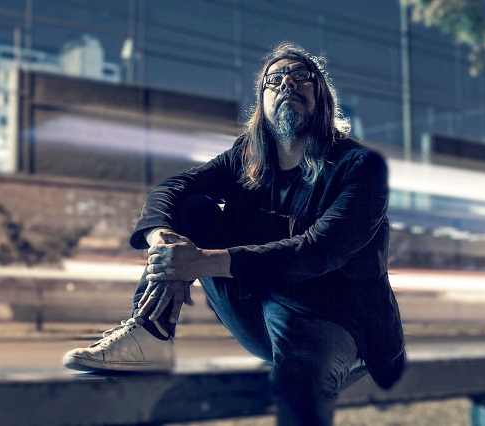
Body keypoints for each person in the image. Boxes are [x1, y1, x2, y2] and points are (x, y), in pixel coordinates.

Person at [63, 42, 406, 425]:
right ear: (262, 102)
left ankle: (343, 363)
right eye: (274, 79)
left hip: (337, 319)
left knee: (298, 385)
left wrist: (201, 262)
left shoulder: (360, 166)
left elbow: (318, 251)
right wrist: (161, 242)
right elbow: (172, 188)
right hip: (261, 309)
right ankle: (152, 332)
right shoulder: (247, 156)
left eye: (300, 76)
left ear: (322, 97)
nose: (287, 83)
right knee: (191, 208)